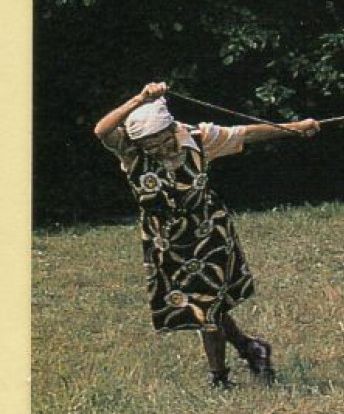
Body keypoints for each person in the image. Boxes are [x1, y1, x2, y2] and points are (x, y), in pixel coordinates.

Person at [94, 81, 320, 387]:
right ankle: (250, 348)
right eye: (150, 145)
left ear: (172, 129)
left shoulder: (200, 139)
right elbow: (102, 130)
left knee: (205, 309)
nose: (158, 150)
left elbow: (247, 134)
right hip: (166, 242)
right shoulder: (132, 152)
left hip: (208, 234)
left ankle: (219, 379)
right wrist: (139, 99)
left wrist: (294, 128)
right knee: (203, 305)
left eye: (162, 141)